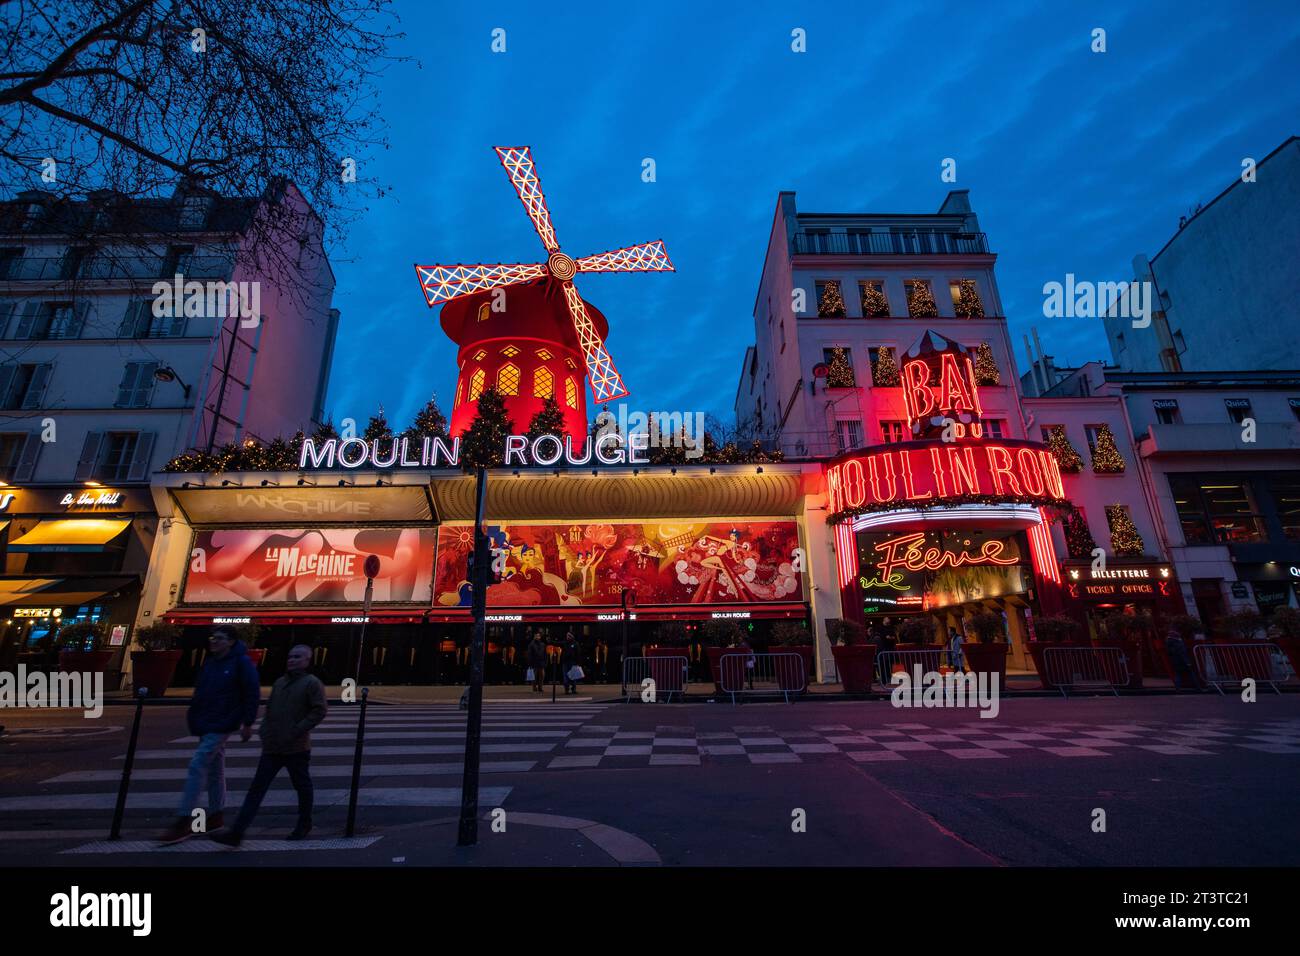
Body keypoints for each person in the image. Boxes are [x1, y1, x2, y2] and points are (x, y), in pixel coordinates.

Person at [212, 645, 327, 845]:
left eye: (297, 657)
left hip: (296, 747)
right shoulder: (280, 682)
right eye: (290, 656)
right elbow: (270, 709)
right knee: (257, 789)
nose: (292, 660)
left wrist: (297, 729)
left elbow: (319, 710)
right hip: (273, 746)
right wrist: (264, 730)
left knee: (301, 786)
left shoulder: (312, 683)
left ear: (307, 661)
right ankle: (237, 831)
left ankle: (304, 823)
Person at [158, 627, 259, 845]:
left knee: (198, 764)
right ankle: (216, 816)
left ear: (231, 642)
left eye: (220, 638)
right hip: (208, 720)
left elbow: (252, 691)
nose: (214, 642)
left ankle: (184, 819)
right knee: (215, 768)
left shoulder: (241, 663)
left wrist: (248, 722)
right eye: (213, 637)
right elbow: (202, 691)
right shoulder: (212, 662)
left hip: (223, 720)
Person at [561, 630, 581, 695]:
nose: (567, 636)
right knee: (565, 677)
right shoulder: (565, 643)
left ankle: (573, 689)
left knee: (573, 677)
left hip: (573, 662)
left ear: (572, 636)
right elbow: (558, 643)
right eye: (567, 635)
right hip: (565, 662)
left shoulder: (575, 643)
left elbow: (578, 654)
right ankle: (566, 689)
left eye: (569, 635)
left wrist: (578, 663)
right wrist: (550, 641)